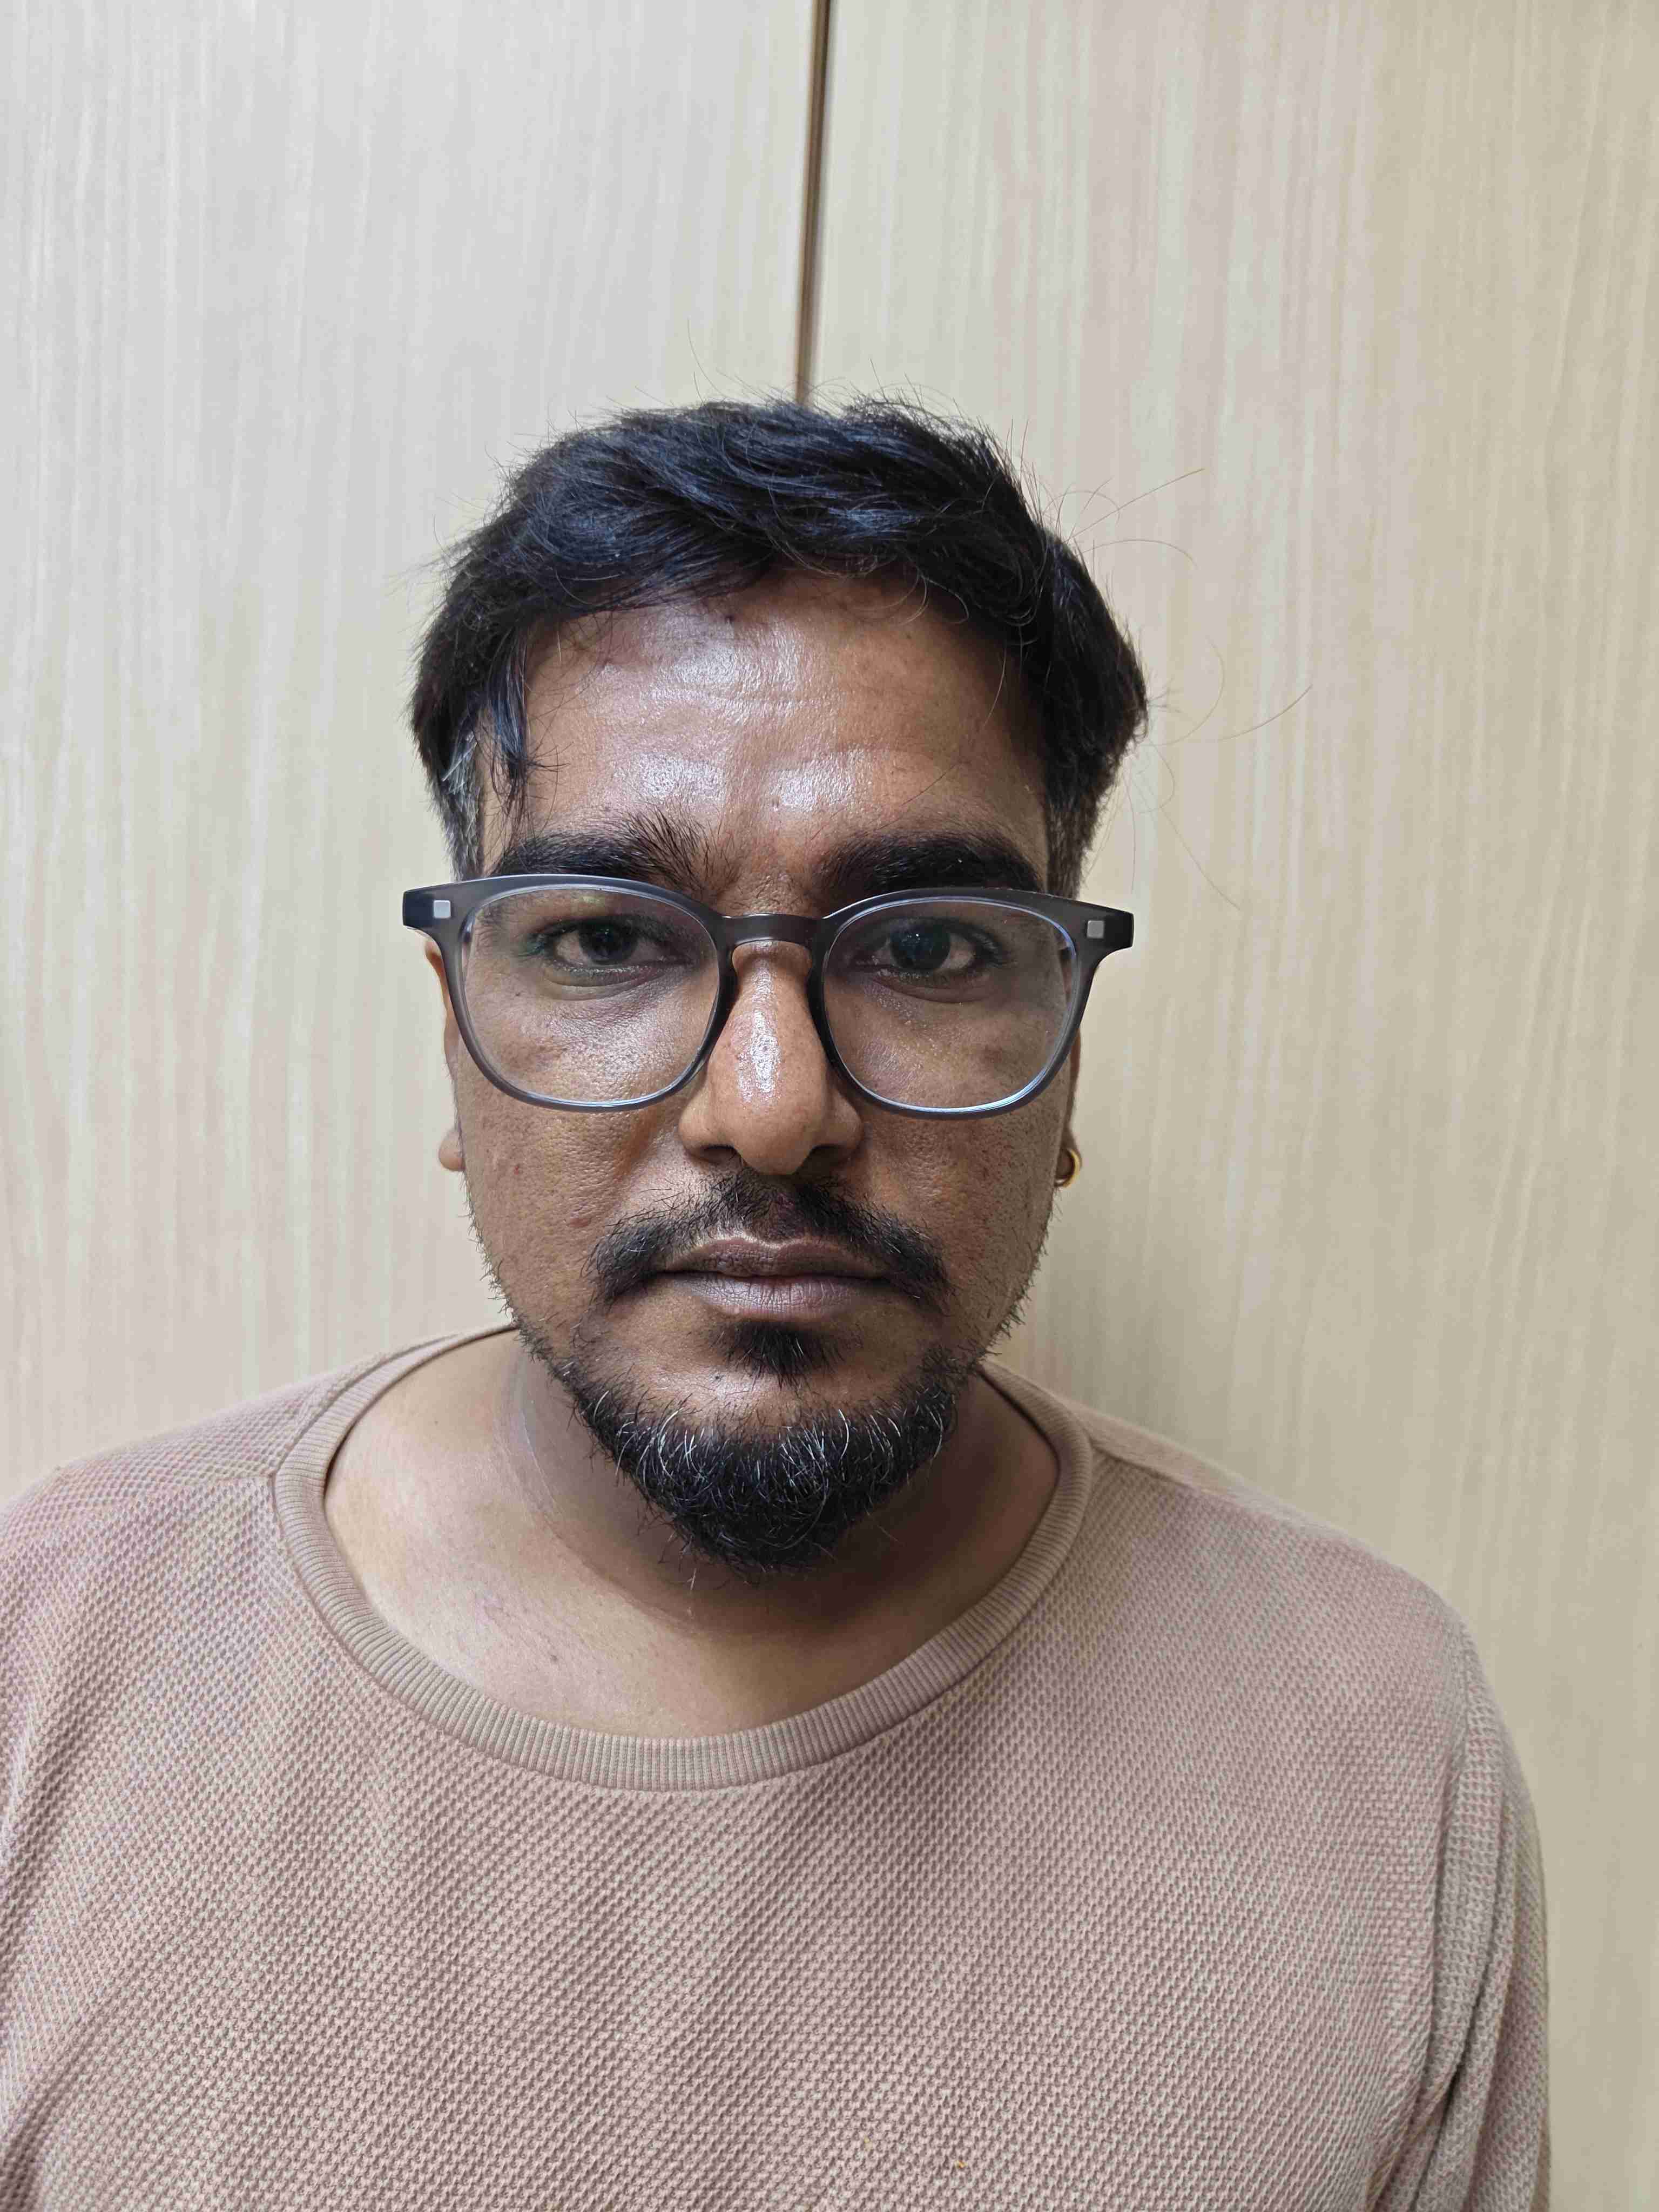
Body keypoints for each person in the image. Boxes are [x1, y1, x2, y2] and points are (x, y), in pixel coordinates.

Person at [0, 398, 1547, 2207]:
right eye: (604, 937)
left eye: (930, 947)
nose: (770, 1105)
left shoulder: (1378, 1748)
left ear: (1066, 1051)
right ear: (458, 1034)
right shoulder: (49, 1681)